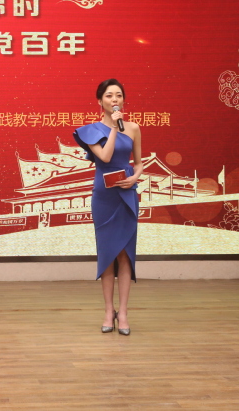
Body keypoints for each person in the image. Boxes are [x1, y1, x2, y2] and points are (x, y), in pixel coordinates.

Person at [73, 79, 143, 336]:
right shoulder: (90, 131)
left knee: (125, 254)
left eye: (119, 95)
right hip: (104, 197)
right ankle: (107, 310)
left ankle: (123, 312)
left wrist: (135, 178)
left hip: (127, 194)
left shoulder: (133, 128)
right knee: (107, 255)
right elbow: (105, 157)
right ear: (100, 101)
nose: (115, 99)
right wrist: (114, 127)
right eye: (110, 95)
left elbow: (138, 162)